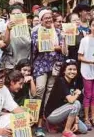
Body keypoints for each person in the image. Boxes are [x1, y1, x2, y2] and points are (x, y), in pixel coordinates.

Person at [32, 8, 66, 137]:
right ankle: (36, 116)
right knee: (40, 89)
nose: (48, 19)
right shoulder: (36, 32)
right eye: (45, 18)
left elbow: (63, 49)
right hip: (41, 65)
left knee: (50, 90)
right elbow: (37, 46)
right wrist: (55, 46)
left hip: (54, 64)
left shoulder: (58, 32)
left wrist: (52, 45)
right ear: (41, 20)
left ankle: (43, 115)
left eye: (50, 17)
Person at [44, 59, 87, 137]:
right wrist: (78, 93)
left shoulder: (73, 82)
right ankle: (66, 131)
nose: (72, 71)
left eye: (74, 69)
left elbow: (74, 106)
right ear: (64, 71)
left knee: (83, 129)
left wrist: (76, 122)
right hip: (52, 115)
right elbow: (71, 101)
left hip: (64, 112)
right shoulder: (61, 81)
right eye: (69, 69)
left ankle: (62, 125)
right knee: (76, 103)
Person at [78, 17, 94, 130]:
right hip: (87, 70)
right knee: (88, 95)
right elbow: (79, 56)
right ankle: (86, 119)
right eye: (93, 25)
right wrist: (90, 61)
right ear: (90, 26)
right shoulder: (85, 40)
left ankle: (93, 117)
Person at [2, 4, 31, 70]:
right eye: (13, 14)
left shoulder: (29, 29)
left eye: (18, 14)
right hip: (11, 65)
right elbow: (5, 43)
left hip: (26, 66)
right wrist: (8, 29)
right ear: (10, 15)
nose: (16, 16)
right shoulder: (6, 27)